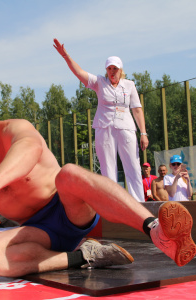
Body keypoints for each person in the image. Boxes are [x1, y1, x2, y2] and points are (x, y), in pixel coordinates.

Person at [0, 79, 196, 281]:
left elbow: (29, 150)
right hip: (37, 233)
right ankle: (82, 256)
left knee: (69, 173)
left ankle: (156, 231)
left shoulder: (15, 129)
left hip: (71, 208)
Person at [53, 39, 148, 202]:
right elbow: (79, 73)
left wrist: (143, 133)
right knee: (108, 169)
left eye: (115, 68)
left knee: (133, 166)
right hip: (104, 128)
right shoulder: (99, 82)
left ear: (120, 70)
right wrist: (66, 56)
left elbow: (137, 110)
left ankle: (138, 203)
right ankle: (113, 203)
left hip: (126, 128)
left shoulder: (129, 85)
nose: (112, 71)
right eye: (109, 68)